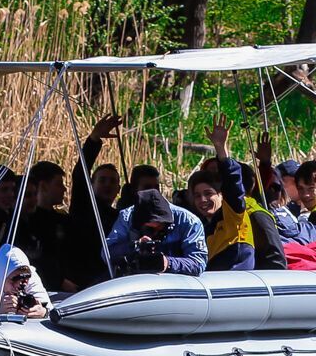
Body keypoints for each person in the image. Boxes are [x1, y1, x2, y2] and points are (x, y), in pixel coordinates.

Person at [187, 118, 257, 272]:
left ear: (221, 195)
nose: (203, 200)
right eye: (197, 195)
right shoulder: (202, 228)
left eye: (208, 193)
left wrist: (221, 149)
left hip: (235, 286)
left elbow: (233, 185)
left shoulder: (232, 214)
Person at [63, 112, 124, 290]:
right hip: (78, 281)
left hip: (106, 280)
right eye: (102, 180)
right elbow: (80, 174)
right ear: (92, 184)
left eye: (112, 182)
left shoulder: (119, 216)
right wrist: (94, 139)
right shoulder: (84, 205)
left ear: (118, 190)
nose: (107, 185)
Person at [107, 188, 208, 276]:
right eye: (149, 229)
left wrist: (168, 263)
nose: (155, 234)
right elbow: (107, 253)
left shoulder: (189, 222)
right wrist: (135, 246)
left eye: (160, 228)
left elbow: (198, 263)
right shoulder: (127, 218)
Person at [20, 160, 68, 286]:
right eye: (59, 184)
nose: (64, 189)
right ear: (44, 186)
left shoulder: (62, 219)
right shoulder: (28, 223)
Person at [255, 133, 303, 214]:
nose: (302, 186)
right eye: (296, 181)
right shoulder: (271, 205)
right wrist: (265, 162)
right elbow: (261, 186)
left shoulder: (302, 207)